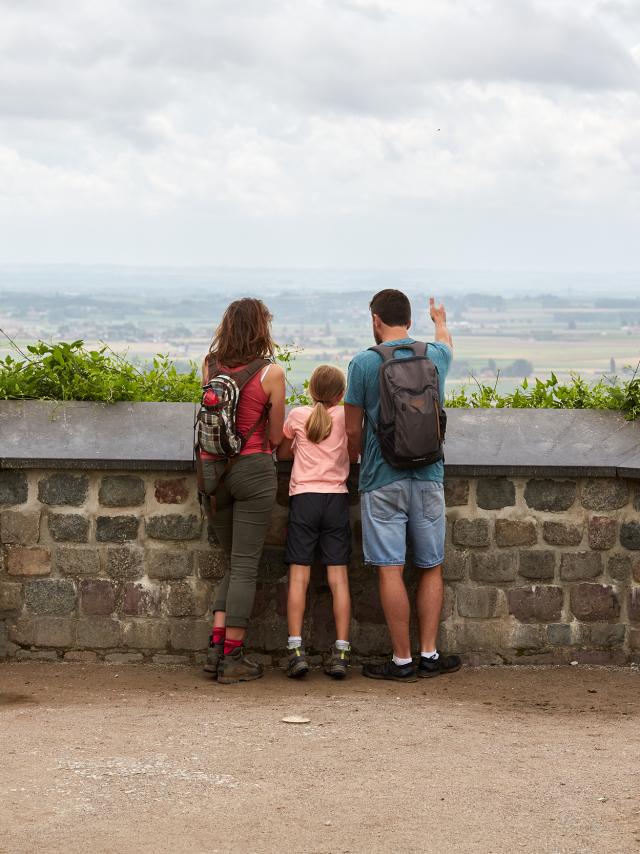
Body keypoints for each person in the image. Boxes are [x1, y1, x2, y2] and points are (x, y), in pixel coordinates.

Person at [344, 289, 461, 683]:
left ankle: (402, 660)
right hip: (428, 475)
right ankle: (429, 654)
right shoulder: (436, 356)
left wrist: (358, 469)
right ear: (410, 321)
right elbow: (447, 344)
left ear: (376, 320)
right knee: (431, 567)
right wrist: (440, 320)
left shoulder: (363, 363)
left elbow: (351, 431)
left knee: (390, 569)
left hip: (382, 478)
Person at [199, 298, 286, 684]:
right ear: (261, 329)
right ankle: (233, 657)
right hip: (252, 469)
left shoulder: (209, 364)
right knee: (246, 564)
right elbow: (275, 435)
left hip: (212, 473)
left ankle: (216, 648)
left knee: (234, 561)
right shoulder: (271, 373)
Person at [277, 365, 357, 679]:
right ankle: (341, 650)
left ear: (311, 391)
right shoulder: (344, 418)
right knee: (339, 579)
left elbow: (283, 452)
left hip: (304, 499)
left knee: (299, 578)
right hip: (336, 499)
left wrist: (297, 445)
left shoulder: (298, 416)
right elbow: (353, 452)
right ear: (341, 394)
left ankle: (296, 650)